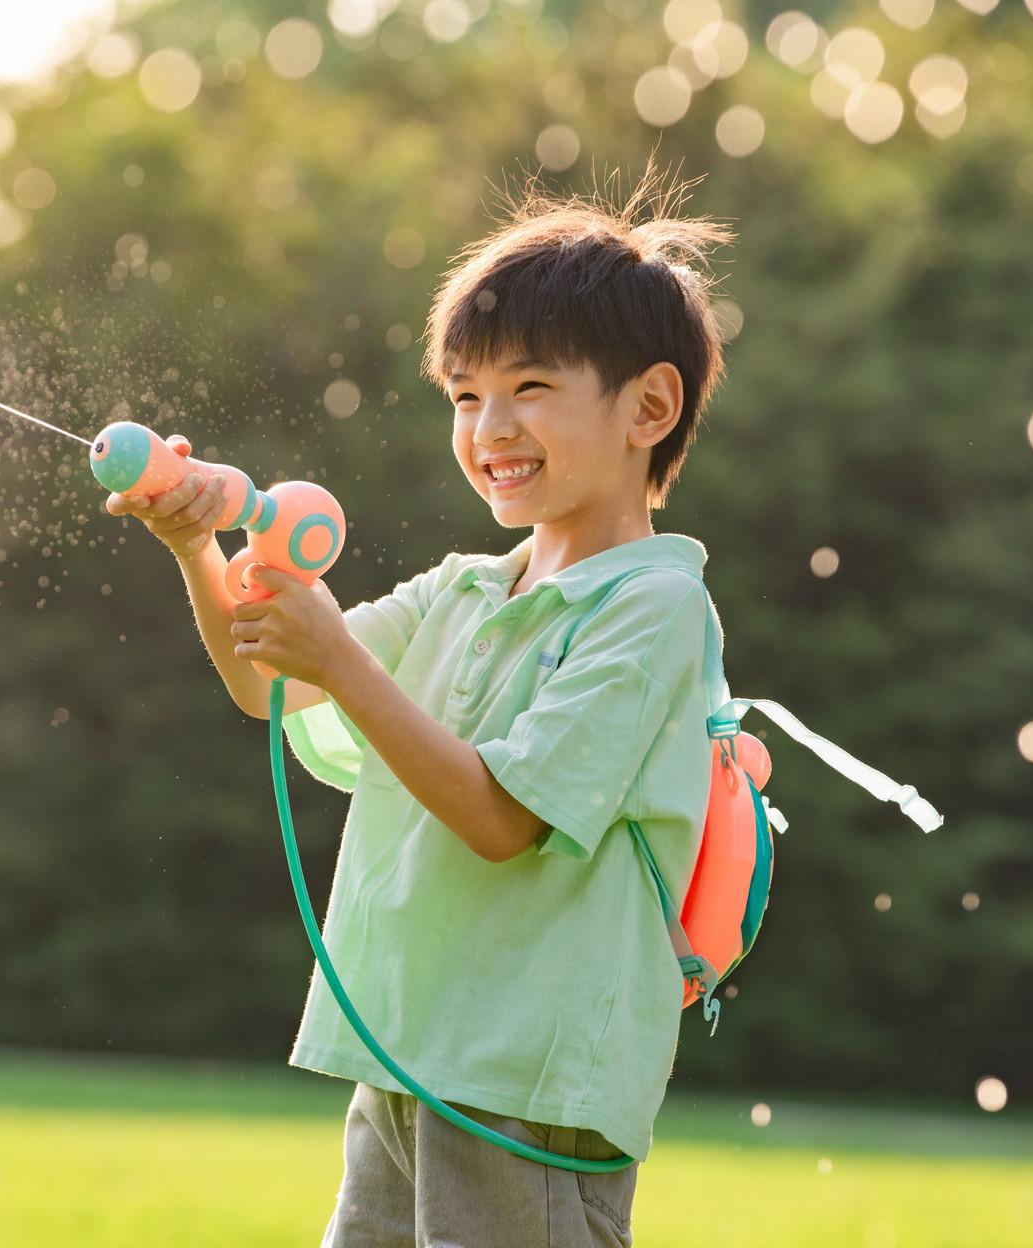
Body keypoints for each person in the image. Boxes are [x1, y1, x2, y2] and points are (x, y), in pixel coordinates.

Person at [105, 167, 735, 1247]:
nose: (491, 425)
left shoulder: (657, 606)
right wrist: (198, 547)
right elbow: (270, 684)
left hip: (525, 1077)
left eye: (531, 386)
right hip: (406, 1053)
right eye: (465, 395)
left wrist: (342, 659)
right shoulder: (464, 589)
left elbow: (504, 819)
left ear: (651, 407)